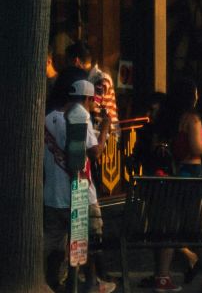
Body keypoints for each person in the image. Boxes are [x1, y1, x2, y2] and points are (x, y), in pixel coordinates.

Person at [154, 78, 202, 291]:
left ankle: (162, 277)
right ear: (191, 96)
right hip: (192, 174)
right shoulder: (193, 119)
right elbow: (197, 148)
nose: (198, 97)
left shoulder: (168, 118)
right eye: (195, 93)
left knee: (171, 228)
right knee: (199, 228)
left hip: (174, 175)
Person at [45, 78, 115, 293]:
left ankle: (54, 282)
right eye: (93, 100)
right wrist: (104, 128)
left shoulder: (47, 119)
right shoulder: (80, 116)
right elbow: (95, 152)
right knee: (89, 241)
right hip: (80, 193)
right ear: (87, 98)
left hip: (52, 195)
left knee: (55, 244)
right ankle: (91, 283)